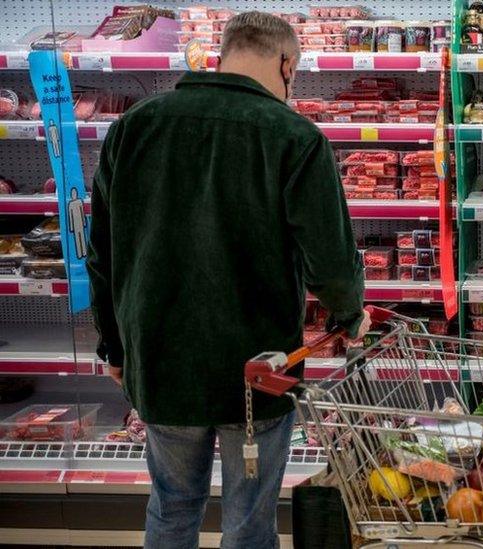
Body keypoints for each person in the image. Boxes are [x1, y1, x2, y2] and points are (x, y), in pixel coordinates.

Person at [86, 11, 369, 549]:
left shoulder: (134, 126)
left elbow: (102, 253)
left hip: (161, 357)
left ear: (224, 52)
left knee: (171, 507)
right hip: (257, 370)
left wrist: (114, 346)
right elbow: (330, 263)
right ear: (287, 63)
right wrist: (350, 313)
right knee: (248, 521)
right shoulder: (294, 137)